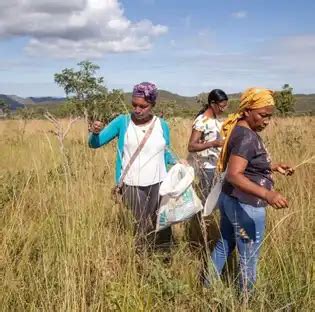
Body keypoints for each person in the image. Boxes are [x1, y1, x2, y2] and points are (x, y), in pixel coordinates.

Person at [208, 87, 294, 296]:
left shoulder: (238, 129)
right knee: (249, 255)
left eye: (269, 117)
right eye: (263, 115)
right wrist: (268, 194)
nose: (266, 121)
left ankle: (207, 285)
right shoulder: (247, 137)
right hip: (245, 207)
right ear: (247, 110)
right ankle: (247, 300)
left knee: (225, 243)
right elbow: (235, 175)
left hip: (230, 200)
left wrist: (272, 167)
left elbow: (246, 165)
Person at [88, 82, 177, 249]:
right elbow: (95, 144)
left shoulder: (162, 124)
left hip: (160, 183)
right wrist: (94, 133)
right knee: (142, 225)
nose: (137, 109)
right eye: (134, 105)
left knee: (163, 223)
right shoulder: (122, 122)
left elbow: (166, 151)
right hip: (132, 185)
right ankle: (142, 262)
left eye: (143, 106)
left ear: (152, 105)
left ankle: (164, 258)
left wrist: (179, 162)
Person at [187, 89, 228, 203]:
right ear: (212, 104)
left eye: (225, 106)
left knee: (213, 198)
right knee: (205, 198)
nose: (223, 109)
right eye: (221, 106)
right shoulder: (201, 121)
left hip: (216, 165)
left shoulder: (215, 120)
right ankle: (201, 219)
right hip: (206, 166)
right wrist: (213, 143)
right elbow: (191, 146)